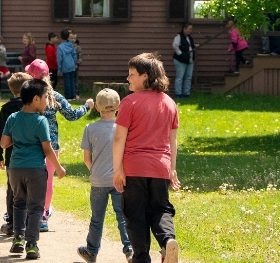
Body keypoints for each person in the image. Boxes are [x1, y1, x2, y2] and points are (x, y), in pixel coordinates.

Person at [113, 53, 182, 263]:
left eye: (132, 74)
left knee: (135, 215)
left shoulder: (129, 102)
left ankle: (141, 258)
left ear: (145, 76)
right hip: (161, 167)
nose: (128, 78)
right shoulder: (170, 103)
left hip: (134, 167)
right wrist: (171, 169)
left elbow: (118, 139)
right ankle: (167, 240)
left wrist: (117, 169)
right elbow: (173, 141)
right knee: (160, 209)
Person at [0, 79, 67, 260]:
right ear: (36, 99)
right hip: (35, 169)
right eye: (46, 97)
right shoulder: (40, 121)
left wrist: (19, 140)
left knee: (19, 203)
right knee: (36, 206)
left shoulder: (13, 118)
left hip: (15, 169)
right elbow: (47, 148)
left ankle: (18, 239)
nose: (47, 101)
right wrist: (59, 168)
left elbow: (4, 143)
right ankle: (31, 244)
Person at [25, 59, 93, 232]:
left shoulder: (25, 97)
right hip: (51, 145)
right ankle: (44, 215)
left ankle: (27, 213)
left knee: (29, 179)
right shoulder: (53, 96)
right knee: (47, 181)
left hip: (30, 144)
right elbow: (71, 115)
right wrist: (87, 106)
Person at [76, 88, 134, 263]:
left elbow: (87, 158)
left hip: (98, 180)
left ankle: (92, 252)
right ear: (118, 108)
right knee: (122, 217)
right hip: (119, 179)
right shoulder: (122, 128)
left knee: (97, 219)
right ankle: (129, 250)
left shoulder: (90, 128)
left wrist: (95, 170)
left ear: (97, 108)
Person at [0, 72, 33, 236]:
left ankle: (12, 222)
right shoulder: (35, 107)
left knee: (13, 190)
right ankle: (30, 222)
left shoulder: (7, 109)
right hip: (34, 158)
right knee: (31, 190)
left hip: (13, 158)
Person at [170, 23, 197, 99]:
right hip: (180, 60)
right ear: (184, 29)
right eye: (189, 29)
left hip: (190, 60)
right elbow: (175, 46)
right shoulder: (178, 36)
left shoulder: (190, 37)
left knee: (188, 77)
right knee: (180, 76)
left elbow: (190, 46)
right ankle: (178, 94)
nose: (190, 31)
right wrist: (181, 54)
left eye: (191, 29)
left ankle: (186, 93)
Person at [57, 29, 80, 99]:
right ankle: (73, 95)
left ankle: (68, 96)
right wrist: (74, 62)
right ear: (68, 36)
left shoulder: (60, 47)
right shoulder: (71, 45)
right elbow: (74, 55)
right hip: (72, 65)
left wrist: (59, 69)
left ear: (61, 36)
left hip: (65, 66)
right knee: (72, 81)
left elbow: (59, 59)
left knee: (67, 81)